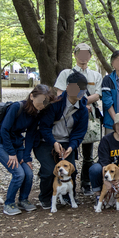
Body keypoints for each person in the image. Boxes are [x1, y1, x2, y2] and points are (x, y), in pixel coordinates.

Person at [0, 85, 52, 216]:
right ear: (32, 96)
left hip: (17, 143)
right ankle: (9, 203)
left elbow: (30, 135)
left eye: (45, 102)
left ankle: (23, 200)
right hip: (0, 142)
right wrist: (11, 153)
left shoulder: (37, 113)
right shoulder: (16, 107)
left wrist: (26, 156)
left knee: (28, 173)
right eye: (40, 101)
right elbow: (4, 130)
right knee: (18, 173)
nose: (42, 105)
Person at [54, 43, 103, 197]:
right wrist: (80, 104)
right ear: (74, 55)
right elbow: (60, 93)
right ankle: (66, 184)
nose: (83, 56)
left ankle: (86, 182)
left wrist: (82, 102)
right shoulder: (66, 73)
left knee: (88, 153)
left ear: (90, 56)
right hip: (69, 116)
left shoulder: (96, 75)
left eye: (86, 53)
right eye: (79, 53)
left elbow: (98, 95)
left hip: (88, 117)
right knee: (70, 149)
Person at [34, 71, 89, 209]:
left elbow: (79, 132)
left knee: (71, 169)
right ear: (68, 88)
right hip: (46, 141)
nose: (81, 92)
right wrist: (54, 143)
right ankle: (45, 197)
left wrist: (72, 147)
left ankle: (68, 196)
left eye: (83, 89)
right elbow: (44, 127)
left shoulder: (83, 108)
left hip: (67, 142)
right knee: (49, 170)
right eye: (78, 88)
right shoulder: (54, 103)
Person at [89, 113, 119, 200]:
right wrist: (106, 181)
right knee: (94, 169)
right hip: (106, 170)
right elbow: (104, 163)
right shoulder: (106, 140)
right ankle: (98, 194)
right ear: (115, 126)